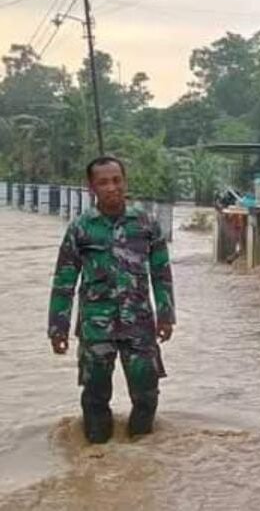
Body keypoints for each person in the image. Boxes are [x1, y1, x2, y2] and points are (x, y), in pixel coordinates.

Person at [48, 156, 176, 443]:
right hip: (96, 327)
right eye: (103, 182)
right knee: (94, 396)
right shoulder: (80, 229)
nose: (112, 187)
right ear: (91, 186)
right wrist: (58, 328)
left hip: (139, 325)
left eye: (117, 180)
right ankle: (98, 457)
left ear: (125, 182)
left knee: (147, 393)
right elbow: (64, 282)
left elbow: (161, 274)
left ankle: (140, 453)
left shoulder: (146, 225)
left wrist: (166, 316)